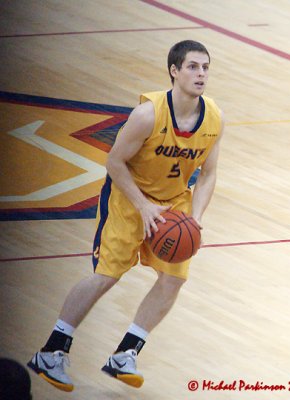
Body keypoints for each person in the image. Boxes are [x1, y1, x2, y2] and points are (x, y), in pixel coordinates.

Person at [27, 39, 224, 392]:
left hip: (175, 199)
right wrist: (143, 205)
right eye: (193, 66)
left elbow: (208, 174)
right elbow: (114, 162)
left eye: (206, 67)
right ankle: (52, 350)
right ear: (174, 71)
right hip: (128, 196)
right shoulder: (148, 114)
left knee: (174, 278)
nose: (201, 74)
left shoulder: (213, 117)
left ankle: (125, 354)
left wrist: (194, 217)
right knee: (107, 275)